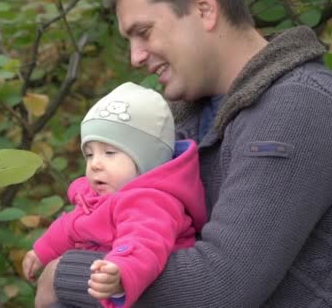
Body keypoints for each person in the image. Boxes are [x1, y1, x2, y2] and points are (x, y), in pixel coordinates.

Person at [35, 0, 332, 307]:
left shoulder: (302, 108)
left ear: (204, 8)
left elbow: (220, 285)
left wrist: (65, 277)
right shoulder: (178, 127)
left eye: (144, 32)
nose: (135, 57)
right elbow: (123, 229)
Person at [22, 82, 207, 308]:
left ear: (148, 161)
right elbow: (70, 226)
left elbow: (144, 242)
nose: (95, 164)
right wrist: (42, 251)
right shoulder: (97, 198)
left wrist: (120, 272)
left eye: (109, 153)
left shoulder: (152, 202)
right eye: (89, 155)